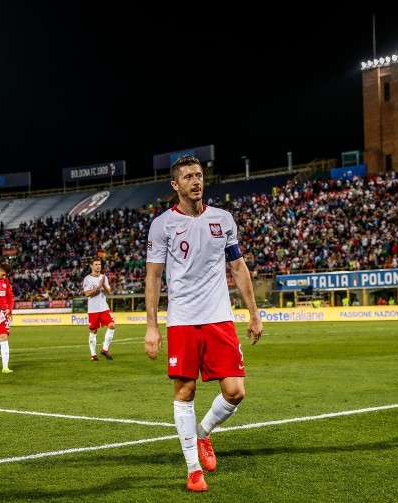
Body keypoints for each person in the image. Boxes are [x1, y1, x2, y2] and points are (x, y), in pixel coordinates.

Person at [144, 155, 263, 492]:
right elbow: (153, 278)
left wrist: (253, 312)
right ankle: (193, 469)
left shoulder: (223, 219)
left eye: (198, 175)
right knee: (185, 391)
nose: (196, 181)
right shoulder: (162, 224)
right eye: (188, 177)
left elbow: (238, 268)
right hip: (182, 321)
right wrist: (152, 327)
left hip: (220, 318)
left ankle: (203, 433)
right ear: (175, 185)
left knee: (236, 391)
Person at [82, 258, 115, 361]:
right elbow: (87, 293)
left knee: (112, 326)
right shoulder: (87, 279)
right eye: (96, 264)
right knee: (93, 331)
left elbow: (109, 292)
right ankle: (93, 355)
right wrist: (98, 287)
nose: (98, 266)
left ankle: (104, 349)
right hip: (93, 309)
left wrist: (103, 284)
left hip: (104, 307)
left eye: (99, 264)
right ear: (92, 266)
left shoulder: (104, 278)